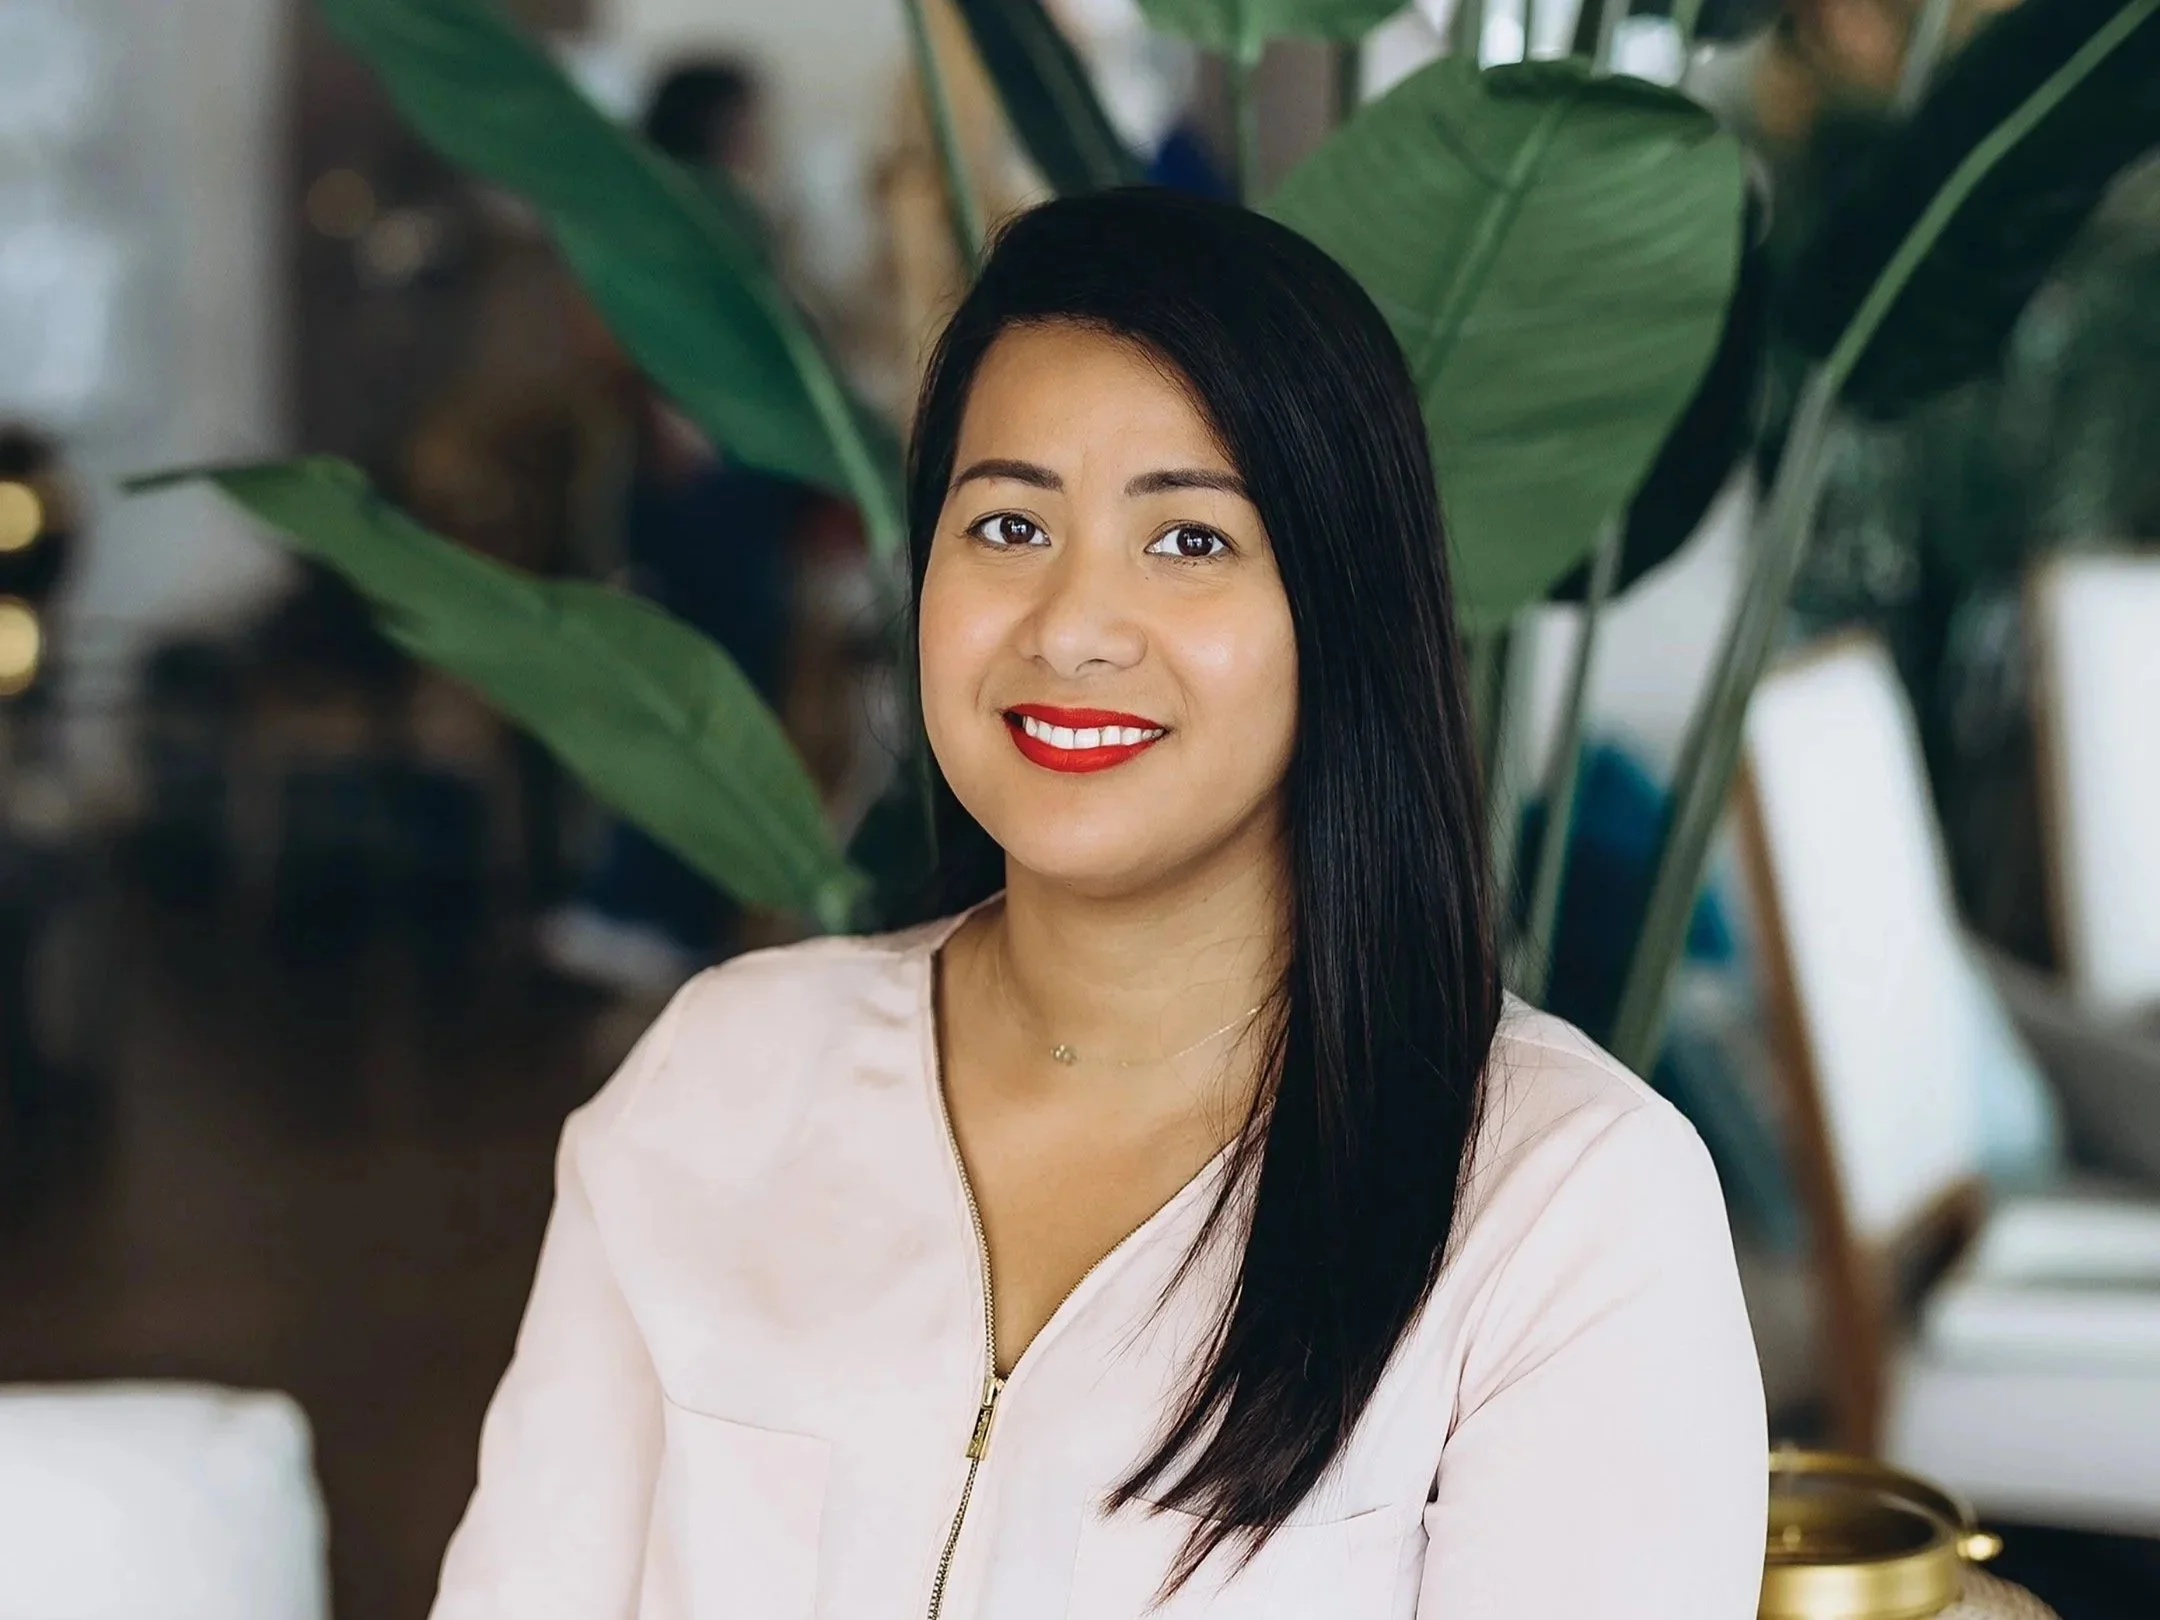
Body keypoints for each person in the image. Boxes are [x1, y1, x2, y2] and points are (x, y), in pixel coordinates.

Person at [433, 188, 1767, 1618]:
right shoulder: (720, 1080)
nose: (1070, 626)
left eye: (1189, 541)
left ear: (1343, 612)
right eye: (1008, 524)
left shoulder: (1566, 1207)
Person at [538, 58, 809, 996]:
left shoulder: (728, 219)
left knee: (726, 698)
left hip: (732, 478)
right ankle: (635, 909)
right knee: (698, 700)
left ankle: (670, 912)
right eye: (752, 126)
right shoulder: (661, 223)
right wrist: (679, 420)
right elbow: (617, 340)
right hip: (699, 482)